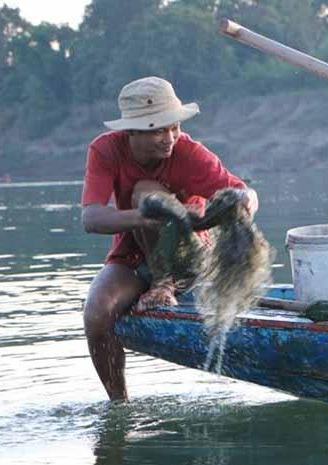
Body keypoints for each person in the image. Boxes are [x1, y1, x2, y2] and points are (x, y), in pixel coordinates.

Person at [81, 76, 258, 401]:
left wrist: (244, 202)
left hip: (189, 257)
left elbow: (242, 191)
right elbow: (91, 218)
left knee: (145, 191)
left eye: (174, 127)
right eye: (158, 129)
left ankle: (165, 285)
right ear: (131, 131)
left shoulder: (189, 152)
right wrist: (150, 216)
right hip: (134, 255)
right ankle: (119, 404)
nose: (170, 138)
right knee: (96, 311)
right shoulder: (105, 150)